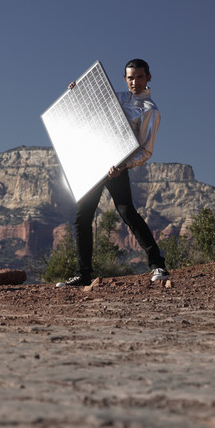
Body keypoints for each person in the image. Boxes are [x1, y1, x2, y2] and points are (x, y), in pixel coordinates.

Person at [57, 58, 169, 287]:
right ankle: (83, 274)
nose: (135, 82)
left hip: (117, 168)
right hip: (94, 163)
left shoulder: (150, 110)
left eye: (139, 77)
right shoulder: (116, 97)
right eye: (130, 77)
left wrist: (122, 167)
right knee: (82, 218)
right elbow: (90, 109)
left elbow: (145, 151)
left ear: (148, 77)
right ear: (125, 79)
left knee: (128, 213)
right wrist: (75, 92)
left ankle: (158, 265)